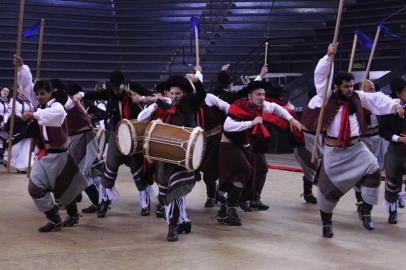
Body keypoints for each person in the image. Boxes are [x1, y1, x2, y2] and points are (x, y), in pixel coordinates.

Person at [304, 43, 403, 238]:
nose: (350, 89)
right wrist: (328, 57)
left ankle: (365, 211)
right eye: (346, 86)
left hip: (356, 148)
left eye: (351, 85)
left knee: (374, 168)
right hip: (334, 151)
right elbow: (321, 78)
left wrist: (394, 105)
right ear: (337, 87)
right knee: (326, 193)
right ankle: (327, 224)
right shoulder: (326, 99)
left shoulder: (358, 97)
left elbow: (378, 100)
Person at [216, 80, 302, 226]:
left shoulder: (261, 105)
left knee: (251, 174)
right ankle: (229, 207)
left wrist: (291, 119)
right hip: (228, 145)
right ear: (250, 96)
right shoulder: (239, 106)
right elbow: (228, 126)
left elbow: (275, 108)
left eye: (263, 94)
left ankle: (225, 209)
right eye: (259, 94)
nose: (262, 97)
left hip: (244, 145)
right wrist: (251, 123)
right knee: (245, 170)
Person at [74, 71, 154, 218]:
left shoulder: (135, 87)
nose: (116, 90)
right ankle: (104, 201)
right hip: (115, 136)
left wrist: (142, 98)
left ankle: (145, 201)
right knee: (109, 170)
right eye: (114, 87)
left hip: (134, 137)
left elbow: (154, 99)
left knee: (137, 171)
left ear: (124, 84)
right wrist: (82, 95)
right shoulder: (110, 92)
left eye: (119, 87)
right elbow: (95, 94)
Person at [137, 73, 206, 241]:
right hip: (167, 157)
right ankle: (184, 220)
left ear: (185, 94)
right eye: (172, 93)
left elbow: (201, 96)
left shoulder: (189, 103)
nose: (174, 97)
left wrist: (197, 82)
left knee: (174, 192)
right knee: (167, 193)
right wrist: (155, 101)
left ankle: (172, 226)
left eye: (178, 94)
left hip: (184, 157)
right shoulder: (171, 106)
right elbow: (166, 106)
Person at [22, 80, 88, 232]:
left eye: (43, 93)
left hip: (59, 154)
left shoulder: (56, 106)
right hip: (43, 154)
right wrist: (21, 69)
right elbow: (26, 87)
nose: (39, 96)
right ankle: (54, 218)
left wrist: (34, 114)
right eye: (37, 94)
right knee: (35, 188)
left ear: (50, 93)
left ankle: (73, 215)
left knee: (64, 189)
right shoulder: (40, 107)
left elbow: (58, 115)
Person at [379, 77, 406, 224]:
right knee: (392, 181)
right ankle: (392, 210)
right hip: (395, 149)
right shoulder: (387, 108)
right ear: (398, 92)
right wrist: (399, 139)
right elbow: (383, 131)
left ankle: (401, 199)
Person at [0, 86, 10, 164]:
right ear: (1, 91)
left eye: (7, 91)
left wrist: (5, 121)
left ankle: (3, 158)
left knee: (3, 141)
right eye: (4, 91)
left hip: (5, 123)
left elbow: (8, 113)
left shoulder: (8, 102)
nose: (6, 92)